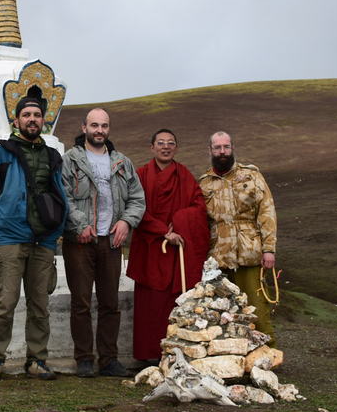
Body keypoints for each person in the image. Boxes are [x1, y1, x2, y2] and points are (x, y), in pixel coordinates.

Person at [0, 97, 68, 382]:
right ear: (16, 121)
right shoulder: (2, 154)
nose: (32, 119)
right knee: (5, 301)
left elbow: (60, 193)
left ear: (43, 121)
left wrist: (56, 228)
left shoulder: (52, 156)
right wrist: (1, 222)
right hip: (10, 239)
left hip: (44, 240)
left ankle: (37, 359)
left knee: (40, 305)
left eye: (37, 115)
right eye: (26, 114)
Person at [62, 108, 146, 377]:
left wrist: (126, 222)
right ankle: (84, 358)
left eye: (104, 126)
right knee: (82, 302)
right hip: (80, 240)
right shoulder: (71, 160)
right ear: (84, 127)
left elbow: (137, 198)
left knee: (110, 302)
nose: (99, 130)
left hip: (111, 240)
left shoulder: (122, 162)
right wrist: (79, 224)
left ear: (109, 129)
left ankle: (108, 359)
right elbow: (62, 196)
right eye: (94, 125)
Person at [127, 129, 210, 367]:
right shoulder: (141, 175)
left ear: (176, 148)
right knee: (149, 305)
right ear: (152, 147)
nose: (166, 147)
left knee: (172, 303)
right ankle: (147, 355)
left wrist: (182, 222)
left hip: (176, 254)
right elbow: (135, 207)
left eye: (170, 143)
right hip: (151, 247)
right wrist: (164, 231)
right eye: (160, 143)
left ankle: (175, 354)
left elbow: (198, 206)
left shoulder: (184, 175)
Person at [199, 131, 279, 347]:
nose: (222, 152)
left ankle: (268, 356)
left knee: (256, 308)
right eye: (217, 148)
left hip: (249, 253)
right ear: (210, 151)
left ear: (232, 148)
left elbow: (267, 211)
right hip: (218, 258)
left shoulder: (251, 176)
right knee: (221, 313)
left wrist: (269, 248)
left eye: (226, 147)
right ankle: (229, 358)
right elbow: (200, 222)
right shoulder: (204, 184)